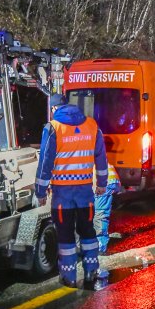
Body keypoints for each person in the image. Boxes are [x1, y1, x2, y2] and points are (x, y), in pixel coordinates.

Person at [35, 94, 109, 289]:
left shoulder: (52, 128)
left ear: (54, 109)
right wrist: (102, 182)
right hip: (85, 193)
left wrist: (40, 192)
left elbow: (45, 163)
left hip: (62, 195)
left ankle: (68, 277)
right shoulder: (92, 126)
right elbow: (101, 158)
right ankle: (91, 271)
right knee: (88, 231)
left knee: (66, 235)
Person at [94, 165, 120, 253]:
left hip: (105, 182)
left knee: (99, 213)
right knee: (98, 212)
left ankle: (100, 245)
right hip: (109, 180)